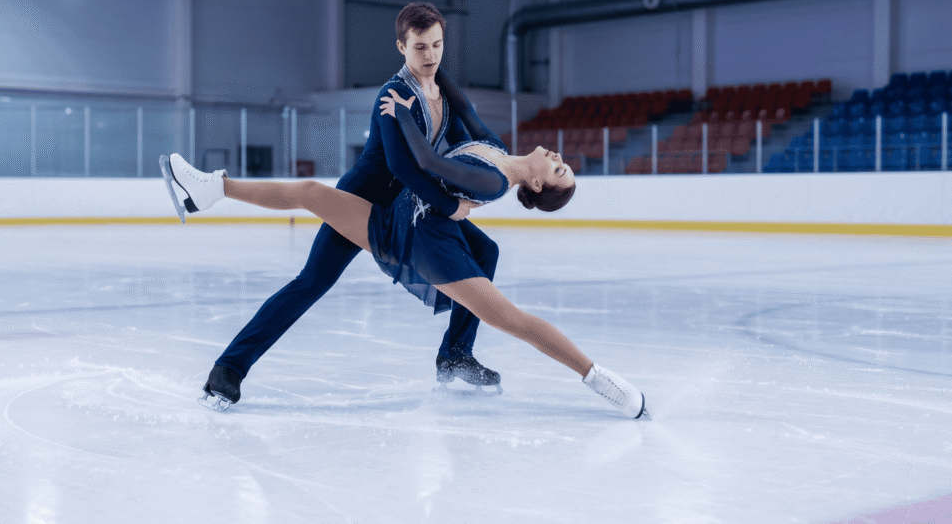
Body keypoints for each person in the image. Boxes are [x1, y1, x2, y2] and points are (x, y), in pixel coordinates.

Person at [161, 93, 650, 418]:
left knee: (509, 317)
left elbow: (430, 164)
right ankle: (455, 354)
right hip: (401, 209)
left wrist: (397, 115)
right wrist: (435, 53)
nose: (556, 156)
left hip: (410, 233)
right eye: (563, 163)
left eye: (558, 168)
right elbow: (459, 101)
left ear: (539, 183)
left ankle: (599, 378)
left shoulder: (495, 180)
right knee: (486, 248)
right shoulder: (496, 149)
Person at [166, 3, 509, 411]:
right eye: (420, 47)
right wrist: (450, 205)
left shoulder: (443, 89)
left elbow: (468, 134)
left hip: (408, 207)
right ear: (401, 47)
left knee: (486, 250)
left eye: (437, 45)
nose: (431, 55)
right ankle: (228, 369)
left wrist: (504, 166)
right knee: (311, 282)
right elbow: (403, 164)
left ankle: (455, 354)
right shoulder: (394, 95)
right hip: (360, 200)